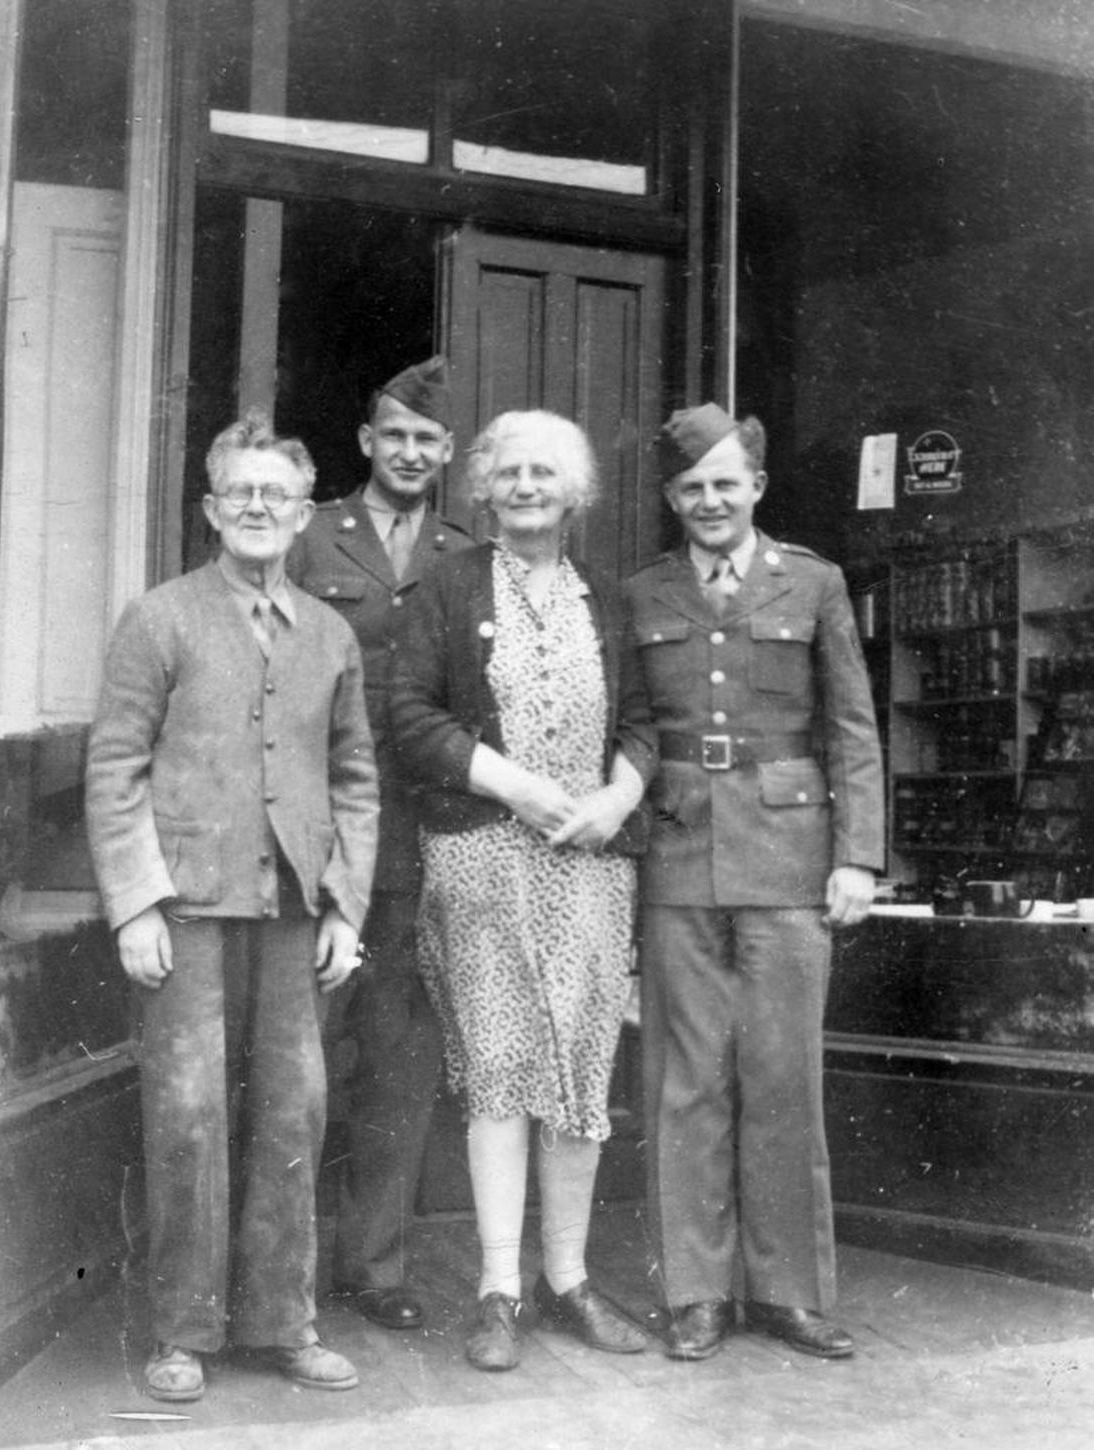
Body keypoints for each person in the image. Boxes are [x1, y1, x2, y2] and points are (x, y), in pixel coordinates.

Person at [85, 411, 379, 1402]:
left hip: (294, 909)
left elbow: (354, 778)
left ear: (304, 515)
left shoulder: (332, 634)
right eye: (240, 492)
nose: (259, 508)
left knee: (294, 1109)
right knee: (188, 1116)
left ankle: (283, 1320)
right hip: (187, 909)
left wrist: (346, 903)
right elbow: (115, 765)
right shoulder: (160, 618)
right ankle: (183, 1330)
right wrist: (135, 905)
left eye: (277, 495)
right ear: (212, 508)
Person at [389, 410, 656, 1372]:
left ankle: (569, 1281)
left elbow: (644, 725)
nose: (528, 486)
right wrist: (518, 786)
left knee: (581, 1075)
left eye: (547, 472)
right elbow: (410, 715)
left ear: (576, 491)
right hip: (483, 860)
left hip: (587, 867)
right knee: (501, 1068)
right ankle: (499, 1290)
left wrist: (615, 799)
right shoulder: (449, 588)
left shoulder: (611, 601)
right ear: (484, 490)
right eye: (510, 473)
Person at [627, 403, 884, 1362]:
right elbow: (632, 732)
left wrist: (857, 853)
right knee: (686, 1083)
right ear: (670, 498)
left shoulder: (811, 582)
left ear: (757, 489)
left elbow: (852, 726)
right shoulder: (641, 593)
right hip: (678, 857)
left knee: (782, 1077)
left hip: (788, 858)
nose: (710, 501)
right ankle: (696, 1291)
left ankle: (788, 1292)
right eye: (692, 488)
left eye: (726, 484)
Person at [287, 356, 469, 1332]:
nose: (408, 451)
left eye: (426, 440)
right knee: (298, 1056)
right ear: (366, 443)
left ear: (447, 454)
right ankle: (278, 1269)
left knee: (401, 1063)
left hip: (422, 846)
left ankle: (377, 1265)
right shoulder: (310, 534)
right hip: (315, 837)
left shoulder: (465, 551)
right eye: (392, 434)